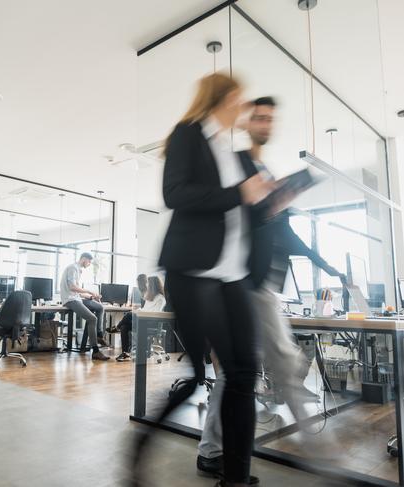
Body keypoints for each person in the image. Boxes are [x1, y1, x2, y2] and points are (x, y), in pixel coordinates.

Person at [131, 73, 274, 487]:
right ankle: (140, 445)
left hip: (232, 275)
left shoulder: (231, 152)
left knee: (244, 372)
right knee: (197, 375)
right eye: (239, 99)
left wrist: (267, 202)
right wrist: (239, 194)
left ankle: (235, 478)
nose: (243, 108)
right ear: (223, 98)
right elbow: (175, 194)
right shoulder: (187, 135)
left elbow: (240, 212)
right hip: (193, 271)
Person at [196, 97, 344, 482]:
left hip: (259, 283)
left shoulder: (263, 169)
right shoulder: (241, 164)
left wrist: (327, 266)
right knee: (280, 360)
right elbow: (234, 216)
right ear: (247, 122)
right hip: (245, 282)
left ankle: (212, 451)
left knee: (238, 373)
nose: (265, 123)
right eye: (259, 117)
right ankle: (320, 454)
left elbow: (288, 235)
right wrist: (273, 199)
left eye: (270, 118)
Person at [60, 252, 110, 361]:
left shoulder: (78, 270)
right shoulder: (73, 268)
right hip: (70, 300)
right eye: (89, 262)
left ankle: (99, 335)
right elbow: (72, 287)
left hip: (76, 298)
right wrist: (89, 290)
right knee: (92, 318)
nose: (89, 264)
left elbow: (77, 292)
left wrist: (91, 296)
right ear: (84, 259)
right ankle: (95, 351)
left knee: (100, 307)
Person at [114, 275, 166, 362]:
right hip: (143, 321)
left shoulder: (161, 298)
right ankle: (125, 353)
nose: (147, 286)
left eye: (148, 284)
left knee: (129, 314)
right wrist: (139, 310)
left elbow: (155, 313)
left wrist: (139, 312)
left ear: (153, 285)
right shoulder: (149, 296)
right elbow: (146, 310)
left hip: (151, 323)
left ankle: (116, 328)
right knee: (125, 327)